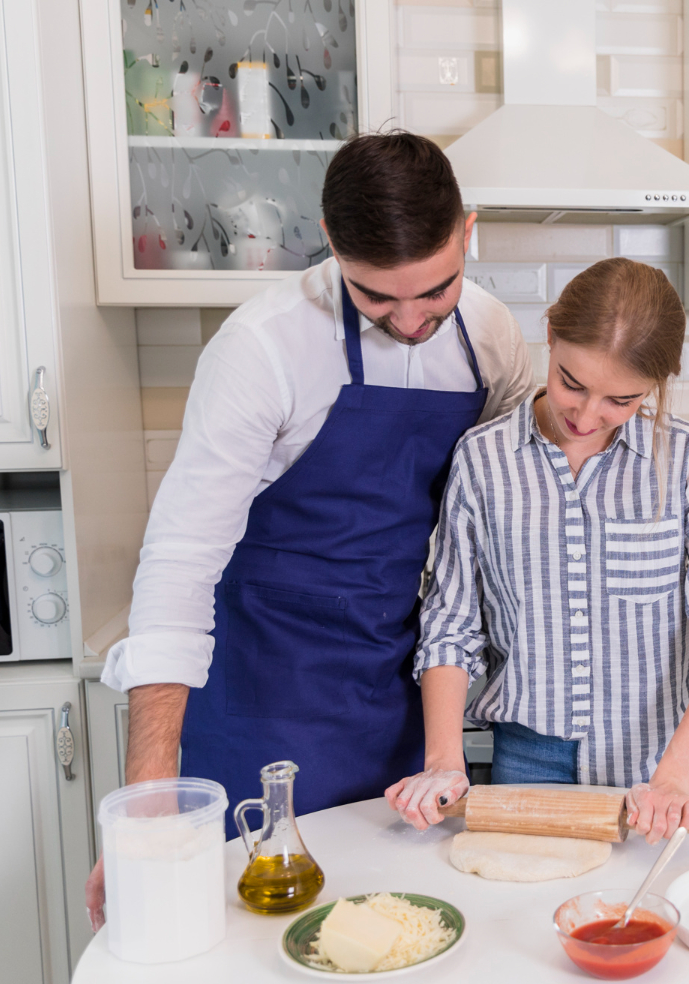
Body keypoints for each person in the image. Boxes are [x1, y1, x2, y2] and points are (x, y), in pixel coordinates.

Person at [85, 132, 534, 927]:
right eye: (375, 298)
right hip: (267, 682)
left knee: (395, 923)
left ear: (468, 232)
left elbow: (515, 485)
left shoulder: (489, 335)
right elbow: (179, 564)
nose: (409, 322)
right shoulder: (264, 347)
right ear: (330, 243)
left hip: (395, 674)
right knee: (261, 930)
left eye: (434, 291)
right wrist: (152, 799)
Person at [385, 257, 689, 844]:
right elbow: (450, 624)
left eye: (620, 401)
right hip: (527, 766)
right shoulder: (482, 461)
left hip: (659, 770)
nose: (585, 415)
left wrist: (675, 780)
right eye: (571, 383)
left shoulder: (684, 462)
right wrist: (444, 761)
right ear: (550, 335)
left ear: (654, 386)